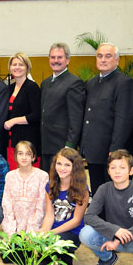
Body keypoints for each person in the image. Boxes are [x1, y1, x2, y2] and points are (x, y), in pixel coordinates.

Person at [81, 43, 133, 195]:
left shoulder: (124, 83)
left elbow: (124, 119)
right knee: (98, 193)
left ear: (117, 60)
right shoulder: (91, 83)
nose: (103, 60)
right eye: (100, 56)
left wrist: (115, 149)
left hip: (111, 152)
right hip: (93, 151)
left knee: (113, 195)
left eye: (108, 56)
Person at [0, 141, 49, 264]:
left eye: (28, 154)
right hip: (16, 228)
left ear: (33, 157)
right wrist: (11, 233)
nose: (24, 157)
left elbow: (41, 206)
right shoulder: (10, 176)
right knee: (6, 257)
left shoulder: (42, 176)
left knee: (32, 257)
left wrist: (30, 233)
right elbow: (7, 204)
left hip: (34, 228)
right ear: (15, 156)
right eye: (20, 154)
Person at [40, 43, 85, 173]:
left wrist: (69, 146)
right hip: (45, 145)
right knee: (48, 186)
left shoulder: (74, 83)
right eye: (52, 57)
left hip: (61, 145)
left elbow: (76, 118)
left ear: (68, 60)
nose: (56, 61)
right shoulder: (45, 83)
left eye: (59, 57)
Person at [43, 147, 89, 265]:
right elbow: (49, 215)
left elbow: (76, 220)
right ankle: (56, 255)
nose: (62, 168)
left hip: (71, 233)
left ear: (75, 167)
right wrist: (43, 232)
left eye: (67, 165)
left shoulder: (82, 189)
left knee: (52, 247)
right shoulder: (50, 185)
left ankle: (66, 255)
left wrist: (51, 234)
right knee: (31, 252)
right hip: (53, 231)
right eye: (59, 163)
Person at [4, 53, 41, 170]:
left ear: (27, 68)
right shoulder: (9, 88)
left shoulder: (32, 87)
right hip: (11, 142)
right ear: (10, 68)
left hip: (27, 142)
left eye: (21, 64)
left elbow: (36, 115)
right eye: (14, 64)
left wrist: (13, 121)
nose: (17, 67)